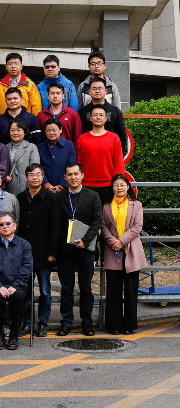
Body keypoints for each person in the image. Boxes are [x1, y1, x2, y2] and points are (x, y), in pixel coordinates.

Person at [56, 163, 103, 337]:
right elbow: (55, 223)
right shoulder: (59, 197)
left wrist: (85, 240)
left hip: (86, 249)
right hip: (65, 250)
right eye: (70, 174)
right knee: (66, 288)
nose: (73, 177)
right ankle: (66, 322)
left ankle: (87, 323)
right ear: (65, 177)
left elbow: (97, 221)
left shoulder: (93, 196)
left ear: (82, 175)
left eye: (76, 174)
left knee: (86, 288)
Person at [17, 164, 60, 337]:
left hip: (44, 253)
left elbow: (56, 227)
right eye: (31, 174)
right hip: (23, 254)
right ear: (26, 177)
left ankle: (43, 323)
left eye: (38, 174)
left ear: (43, 177)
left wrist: (52, 252)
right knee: (25, 291)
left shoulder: (51, 198)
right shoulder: (20, 198)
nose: (35, 177)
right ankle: (27, 323)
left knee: (45, 291)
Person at [101, 174, 147, 335]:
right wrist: (113, 241)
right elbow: (103, 226)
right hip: (112, 250)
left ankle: (129, 325)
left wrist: (121, 241)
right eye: (116, 185)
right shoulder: (106, 206)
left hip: (131, 250)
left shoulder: (137, 205)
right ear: (112, 188)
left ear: (128, 187)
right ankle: (114, 325)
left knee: (130, 291)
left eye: (122, 185)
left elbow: (138, 226)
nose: (119, 188)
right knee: (113, 290)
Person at [0, 212, 34, 351]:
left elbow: (27, 267)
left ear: (14, 226)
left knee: (18, 297)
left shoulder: (24, 245)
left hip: (18, 286)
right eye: (1, 224)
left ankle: (14, 335)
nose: (5, 226)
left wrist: (14, 286)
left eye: (8, 223)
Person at [76, 106, 124, 203]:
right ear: (90, 118)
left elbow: (119, 162)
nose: (98, 117)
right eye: (95, 115)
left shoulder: (114, 138)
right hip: (87, 184)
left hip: (108, 184)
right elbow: (79, 163)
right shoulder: (82, 139)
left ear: (106, 118)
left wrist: (117, 181)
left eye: (101, 115)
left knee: (107, 212)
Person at [80, 76, 129, 155]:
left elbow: (122, 134)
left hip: (110, 153)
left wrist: (122, 154)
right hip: (88, 153)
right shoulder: (82, 112)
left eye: (100, 88)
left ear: (106, 91)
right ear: (89, 91)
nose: (97, 91)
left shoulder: (115, 111)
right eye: (94, 89)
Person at [37, 120, 75, 194]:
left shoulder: (69, 145)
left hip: (65, 187)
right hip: (45, 188)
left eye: (54, 130)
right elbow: (38, 167)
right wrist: (47, 184)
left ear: (60, 130)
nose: (51, 133)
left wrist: (61, 185)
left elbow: (71, 166)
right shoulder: (40, 147)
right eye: (48, 130)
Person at [6, 121, 39, 195]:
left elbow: (35, 168)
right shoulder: (5, 147)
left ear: (24, 132)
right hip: (10, 187)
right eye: (13, 130)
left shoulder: (31, 147)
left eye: (18, 130)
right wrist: (5, 177)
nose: (15, 133)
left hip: (26, 187)